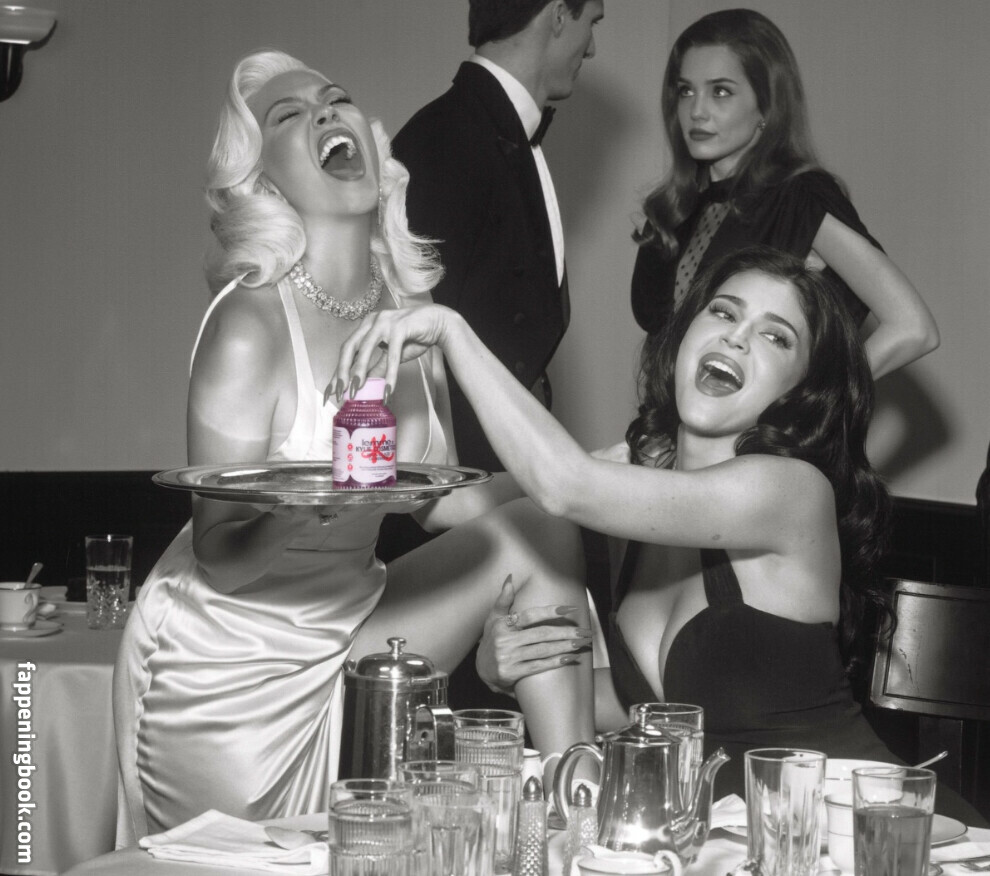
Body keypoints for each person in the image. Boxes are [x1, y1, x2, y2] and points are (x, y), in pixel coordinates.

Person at [112, 50, 595, 840]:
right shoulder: (248, 323)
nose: (325, 114)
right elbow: (220, 551)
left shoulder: (408, 305)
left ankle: (579, 812)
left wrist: (589, 480)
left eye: (334, 101)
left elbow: (444, 504)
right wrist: (317, 503)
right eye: (289, 116)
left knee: (545, 532)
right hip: (232, 670)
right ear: (265, 184)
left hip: (354, 622)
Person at [332, 245, 983, 826]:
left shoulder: (788, 490)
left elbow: (564, 484)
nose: (736, 338)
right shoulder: (639, 480)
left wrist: (450, 331)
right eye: (723, 312)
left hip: (859, 831)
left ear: (802, 388)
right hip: (723, 840)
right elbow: (454, 507)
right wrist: (509, 674)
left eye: (775, 336)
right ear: (688, 331)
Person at [630, 8, 938, 380]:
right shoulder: (675, 208)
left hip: (756, 420)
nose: (697, 110)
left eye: (721, 91)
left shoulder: (800, 198)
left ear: (767, 104)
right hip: (670, 415)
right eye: (686, 90)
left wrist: (813, 402)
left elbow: (912, 327)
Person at [392, 0, 604, 472]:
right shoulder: (445, 139)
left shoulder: (482, 128)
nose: (591, 48)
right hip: (460, 482)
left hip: (503, 469)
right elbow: (415, 349)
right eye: (592, 22)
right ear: (558, 15)